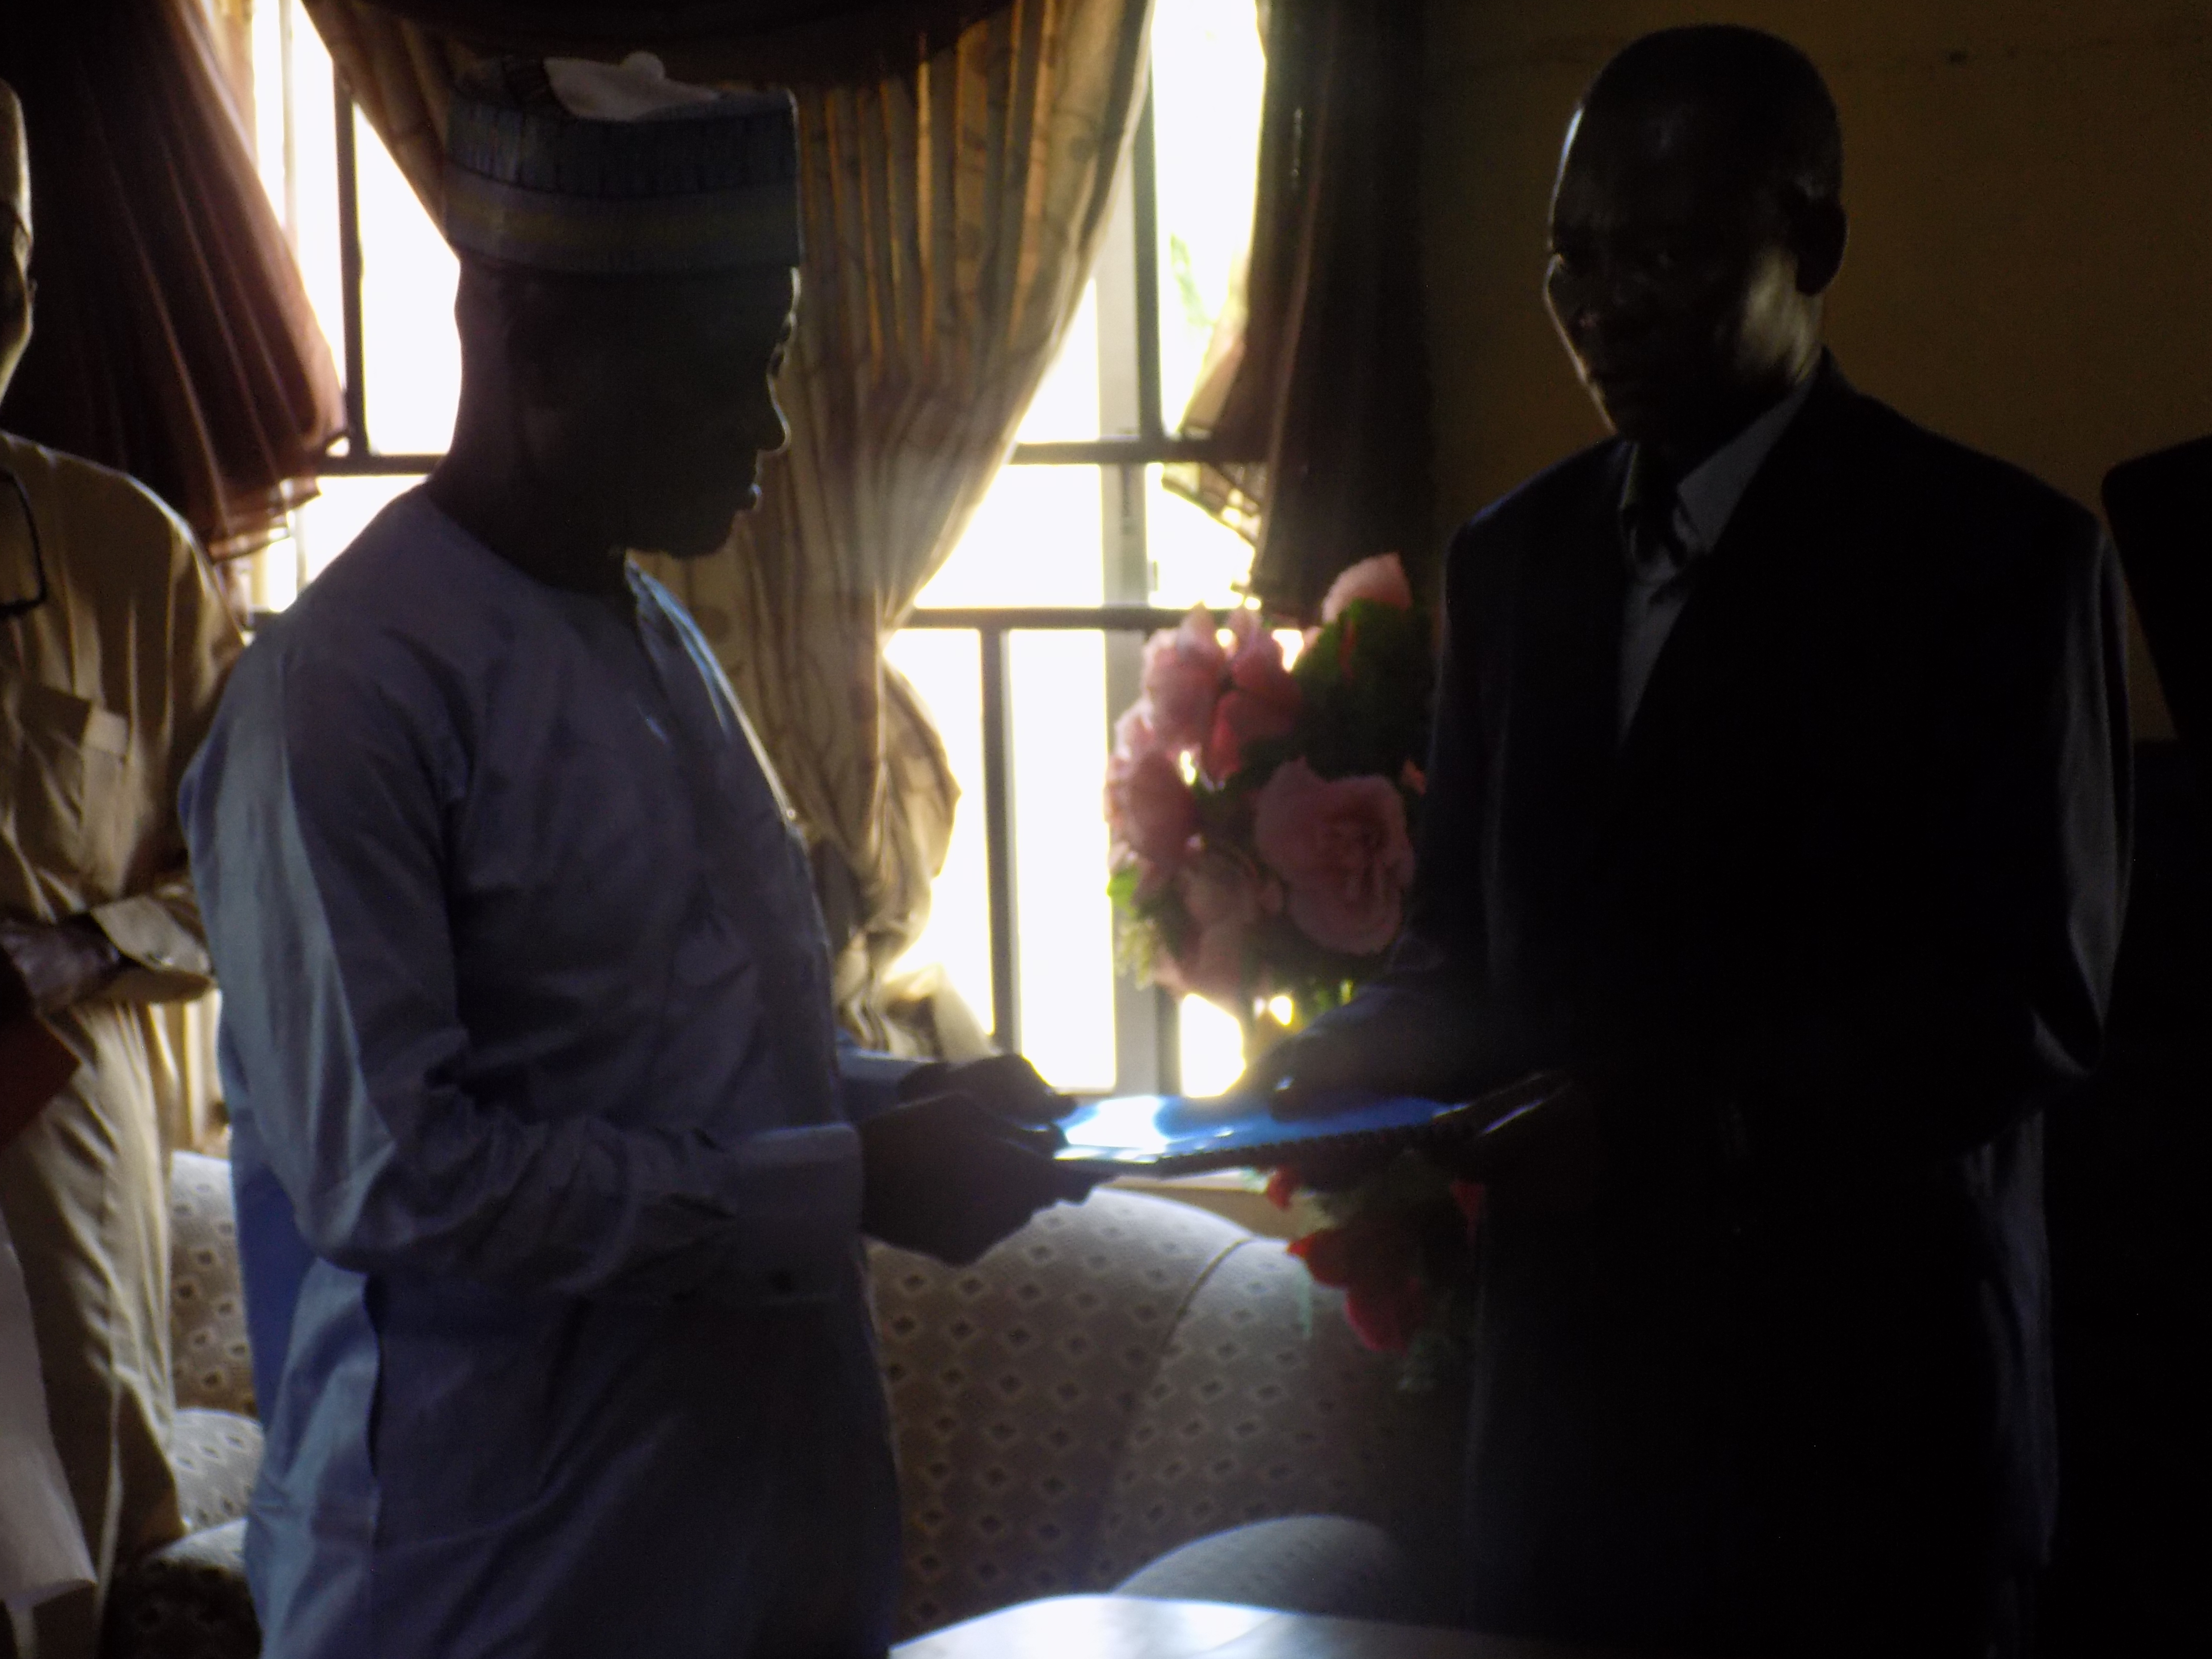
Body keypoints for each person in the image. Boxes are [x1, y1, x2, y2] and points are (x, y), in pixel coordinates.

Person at [180, 55, 1093, 1659]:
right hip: (490, 1588)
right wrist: (847, 1181)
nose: (769, 425)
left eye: (774, 366)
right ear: (537, 347)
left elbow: (668, 1060)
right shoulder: (343, 693)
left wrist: (904, 1103)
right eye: (722, 371)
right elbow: (399, 1170)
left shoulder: (655, 633)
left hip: (744, 1548)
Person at [1257, 26, 2129, 1658]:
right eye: (1571, 258)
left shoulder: (1996, 563)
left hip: (1867, 1436)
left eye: (1664, 255)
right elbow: (1462, 948)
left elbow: (2028, 1001)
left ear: (1816, 244)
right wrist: (1342, 1062)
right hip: (1572, 1440)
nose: (1604, 307)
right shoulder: (1515, 562)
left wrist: (1667, 1129)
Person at [0, 77, 242, 1659]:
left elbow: (256, 871)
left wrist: (78, 950)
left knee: (71, 1559)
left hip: (54, 1161)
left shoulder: (125, 553)